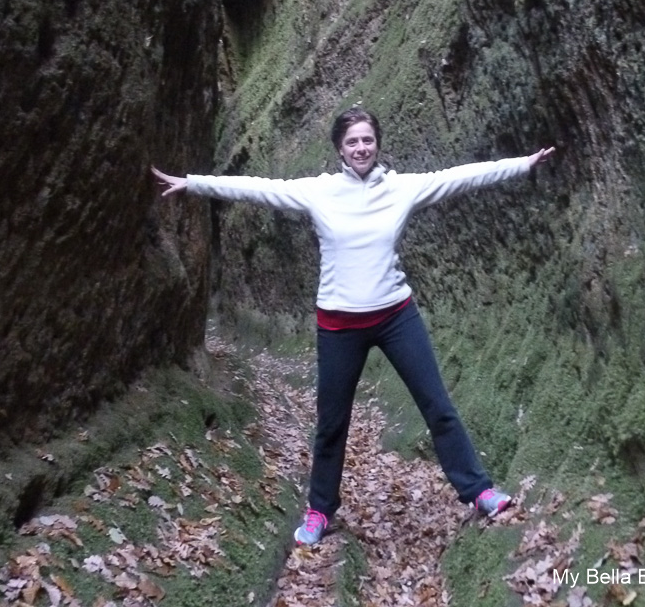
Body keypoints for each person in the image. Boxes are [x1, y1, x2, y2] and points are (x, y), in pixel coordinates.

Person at [152, 108, 555, 546]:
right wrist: (193, 183)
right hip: (339, 325)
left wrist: (522, 164)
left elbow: (461, 177)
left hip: (397, 316)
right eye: (352, 142)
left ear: (377, 143)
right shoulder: (319, 192)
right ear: (339, 149)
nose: (361, 148)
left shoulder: (403, 188)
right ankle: (320, 510)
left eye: (367, 140)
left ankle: (478, 491)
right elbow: (257, 189)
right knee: (331, 423)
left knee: (437, 406)